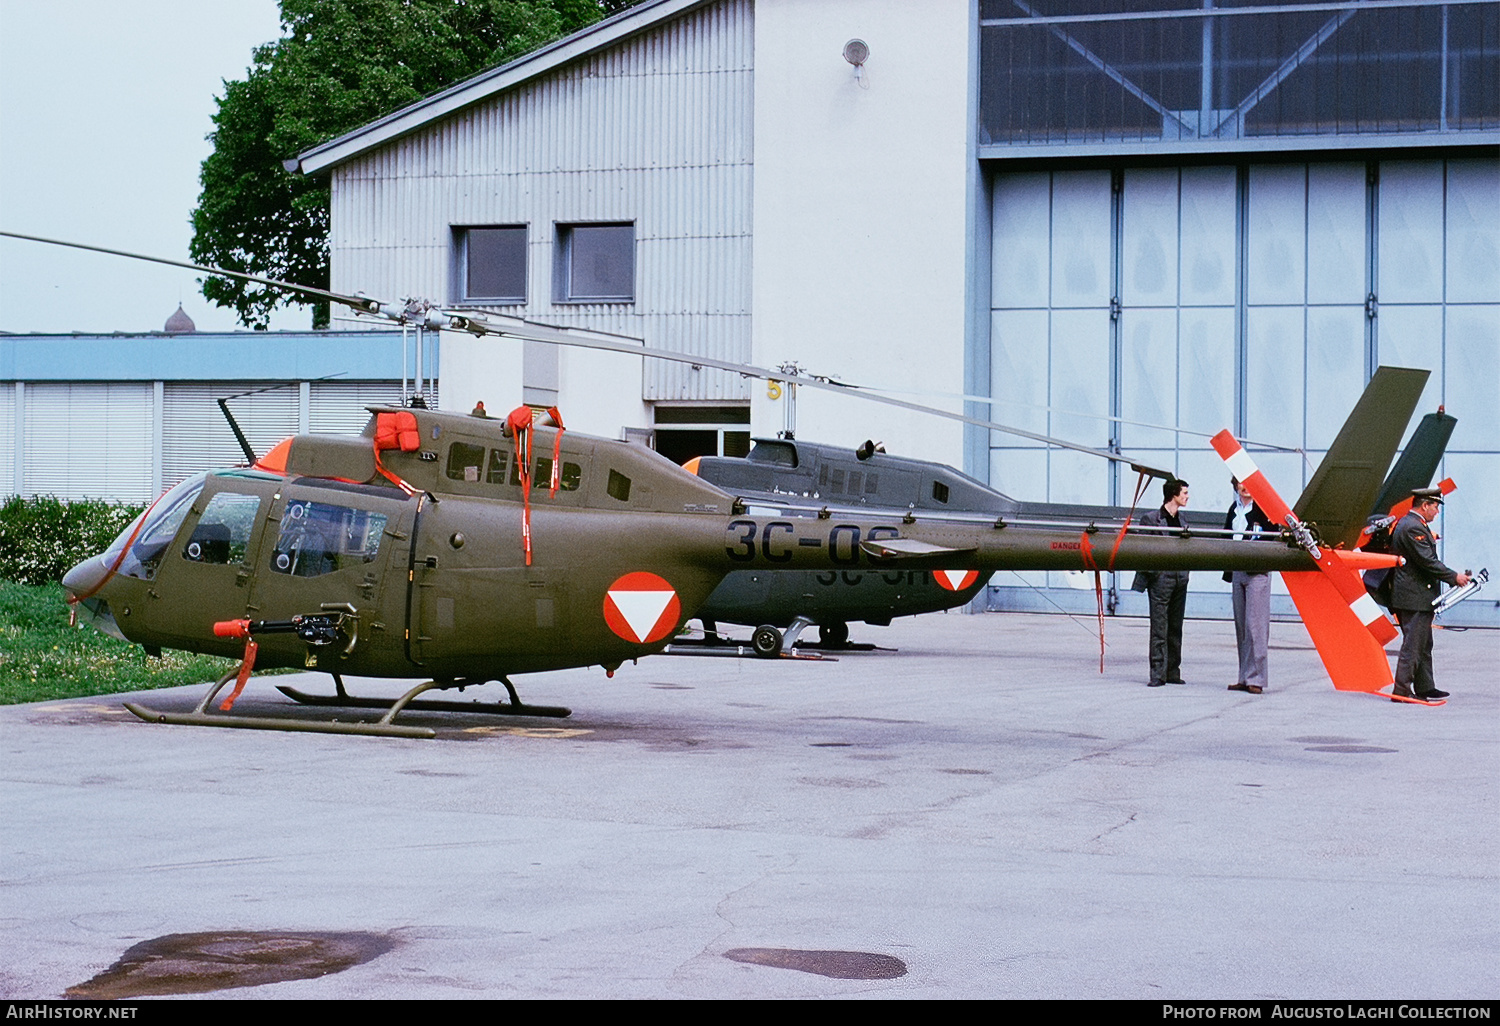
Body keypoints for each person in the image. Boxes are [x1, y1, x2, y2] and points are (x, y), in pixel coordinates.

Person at [1389, 488, 1471, 702]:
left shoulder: (1414, 525)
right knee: (1413, 645)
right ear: (1425, 505)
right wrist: (1455, 577)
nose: (1436, 513)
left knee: (1424, 644)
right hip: (1414, 597)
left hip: (1419, 596)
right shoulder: (1412, 527)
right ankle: (1401, 691)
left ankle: (1425, 687)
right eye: (1435, 507)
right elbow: (1427, 561)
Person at [1132, 478, 1190, 688]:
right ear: (1173, 494)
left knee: (1176, 626)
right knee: (1159, 627)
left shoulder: (1184, 521)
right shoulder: (1150, 519)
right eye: (1184, 493)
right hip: (1161, 579)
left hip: (1179, 578)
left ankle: (1172, 671)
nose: (1187, 497)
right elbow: (1143, 549)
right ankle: (1158, 673)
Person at [1223, 478, 1276, 695]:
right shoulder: (1233, 510)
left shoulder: (1264, 510)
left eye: (1247, 483)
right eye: (1239, 484)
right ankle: (1244, 676)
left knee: (1256, 626)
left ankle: (1257, 678)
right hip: (1237, 569)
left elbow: (1273, 536)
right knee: (1241, 626)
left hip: (1256, 571)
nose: (1244, 488)